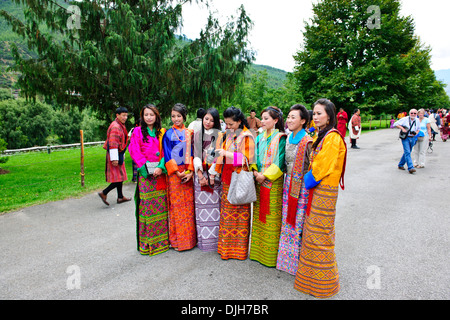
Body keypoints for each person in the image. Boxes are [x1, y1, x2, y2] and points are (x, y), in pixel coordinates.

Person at [294, 98, 347, 299]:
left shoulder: (332, 137)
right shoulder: (321, 135)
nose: (315, 117)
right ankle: (311, 279)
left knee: (320, 235)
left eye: (319, 113)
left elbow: (321, 167)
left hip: (324, 190)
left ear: (330, 116)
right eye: (314, 114)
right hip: (318, 189)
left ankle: (324, 283)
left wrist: (304, 180)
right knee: (312, 232)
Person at [213, 106, 255, 260]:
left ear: (239, 121)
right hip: (227, 177)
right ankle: (226, 249)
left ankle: (238, 251)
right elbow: (220, 155)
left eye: (230, 124)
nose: (228, 127)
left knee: (239, 215)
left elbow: (248, 159)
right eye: (226, 124)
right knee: (226, 214)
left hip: (238, 178)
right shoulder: (229, 135)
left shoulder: (246, 135)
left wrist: (227, 154)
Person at [276, 104, 313, 275]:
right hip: (287, 184)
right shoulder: (288, 137)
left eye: (293, 117)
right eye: (288, 117)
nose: (289, 120)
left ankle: (297, 262)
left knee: (297, 222)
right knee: (287, 221)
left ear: (303, 120)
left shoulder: (308, 141)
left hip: (302, 188)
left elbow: (313, 167)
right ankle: (285, 261)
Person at [128, 104, 169, 256]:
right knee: (147, 208)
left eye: (152, 114)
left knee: (161, 207)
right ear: (142, 117)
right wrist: (146, 168)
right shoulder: (137, 132)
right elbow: (134, 151)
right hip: (146, 176)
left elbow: (167, 151)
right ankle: (148, 244)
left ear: (157, 116)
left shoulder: (162, 132)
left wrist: (160, 167)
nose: (149, 117)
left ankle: (162, 242)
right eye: (146, 115)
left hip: (160, 174)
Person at [249, 106, 286, 267]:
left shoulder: (281, 137)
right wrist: (256, 172)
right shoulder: (259, 137)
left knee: (271, 216)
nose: (262, 121)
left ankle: (270, 257)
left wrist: (264, 175)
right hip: (258, 180)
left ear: (276, 121)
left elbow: (280, 161)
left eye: (266, 119)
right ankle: (257, 253)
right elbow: (253, 156)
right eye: (262, 118)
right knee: (258, 216)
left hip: (273, 183)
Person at [162, 103, 196, 251]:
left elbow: (194, 152)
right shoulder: (168, 134)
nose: (176, 119)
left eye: (179, 116)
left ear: (184, 117)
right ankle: (177, 241)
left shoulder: (190, 132)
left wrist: (190, 172)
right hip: (175, 174)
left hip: (187, 172)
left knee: (188, 206)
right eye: (173, 116)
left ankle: (189, 240)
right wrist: (176, 172)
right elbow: (167, 154)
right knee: (176, 206)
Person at [192, 108, 223, 252]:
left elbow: (219, 157)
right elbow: (196, 154)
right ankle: (204, 241)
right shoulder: (198, 134)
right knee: (201, 209)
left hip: (214, 175)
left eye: (211, 120)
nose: (208, 122)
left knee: (215, 209)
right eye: (206, 119)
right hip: (200, 174)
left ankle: (216, 241)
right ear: (202, 119)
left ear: (216, 121)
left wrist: (211, 174)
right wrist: (199, 174)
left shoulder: (220, 135)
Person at [98, 106, 131, 205]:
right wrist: (114, 159)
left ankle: (120, 197)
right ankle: (104, 192)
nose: (125, 118)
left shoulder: (120, 125)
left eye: (126, 116)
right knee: (119, 177)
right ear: (117, 115)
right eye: (123, 115)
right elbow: (113, 143)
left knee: (120, 176)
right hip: (115, 154)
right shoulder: (116, 127)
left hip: (118, 153)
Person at [394, 109, 421, 174]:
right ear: (409, 113)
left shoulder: (417, 120)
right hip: (405, 137)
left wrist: (415, 133)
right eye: (412, 113)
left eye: (415, 113)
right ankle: (411, 167)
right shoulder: (405, 119)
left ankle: (401, 164)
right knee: (407, 152)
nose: (413, 114)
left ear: (416, 114)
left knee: (407, 152)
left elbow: (418, 129)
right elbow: (395, 124)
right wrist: (403, 129)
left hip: (413, 138)